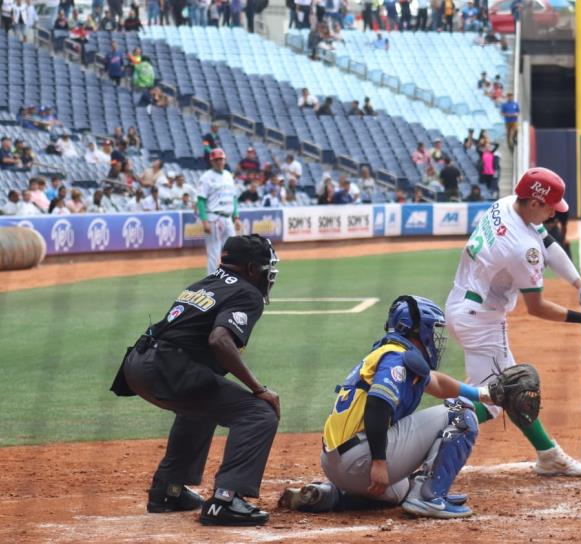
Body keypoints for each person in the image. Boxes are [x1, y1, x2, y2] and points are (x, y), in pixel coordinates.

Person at [445, 167, 581, 477]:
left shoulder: (508, 204)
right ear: (534, 203)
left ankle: (548, 454)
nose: (553, 214)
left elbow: (548, 245)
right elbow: (535, 307)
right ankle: (421, 436)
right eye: (550, 207)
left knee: (512, 390)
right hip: (481, 321)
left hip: (463, 305)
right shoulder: (522, 247)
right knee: (497, 399)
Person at [110, 235, 280, 527]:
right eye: (266, 268)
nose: (269, 275)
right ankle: (226, 500)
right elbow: (219, 339)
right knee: (259, 414)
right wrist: (259, 389)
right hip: (166, 368)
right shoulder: (248, 293)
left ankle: (168, 491)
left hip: (138, 364)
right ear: (252, 268)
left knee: (203, 401)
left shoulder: (206, 282)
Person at [276, 296, 481, 518]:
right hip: (362, 459)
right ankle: (429, 496)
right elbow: (377, 405)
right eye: (432, 329)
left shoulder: (389, 354)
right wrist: (379, 463)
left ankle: (329, 494)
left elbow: (438, 383)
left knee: (398, 491)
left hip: (335, 463)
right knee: (460, 413)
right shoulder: (397, 358)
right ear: (416, 329)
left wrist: (484, 394)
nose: (435, 336)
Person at [198, 148, 242, 275]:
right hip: (214, 218)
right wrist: (204, 220)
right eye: (216, 160)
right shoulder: (206, 177)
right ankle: (212, 281)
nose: (219, 162)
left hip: (228, 218)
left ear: (225, 160)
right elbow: (200, 200)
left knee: (234, 250)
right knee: (214, 252)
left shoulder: (228, 175)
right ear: (211, 161)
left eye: (221, 159)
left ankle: (231, 277)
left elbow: (233, 198)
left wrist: (236, 217)